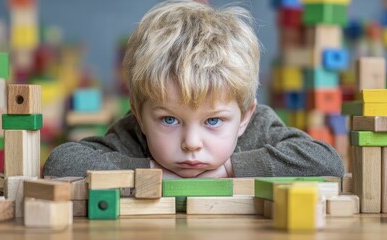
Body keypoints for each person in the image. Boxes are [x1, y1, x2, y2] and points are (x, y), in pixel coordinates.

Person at [43, 0, 344, 179]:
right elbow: (60, 164)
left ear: (243, 117)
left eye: (213, 121)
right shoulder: (132, 134)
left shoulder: (259, 126)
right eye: (169, 120)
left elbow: (327, 162)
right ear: (138, 113)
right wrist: (149, 170)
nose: (191, 143)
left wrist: (230, 168)